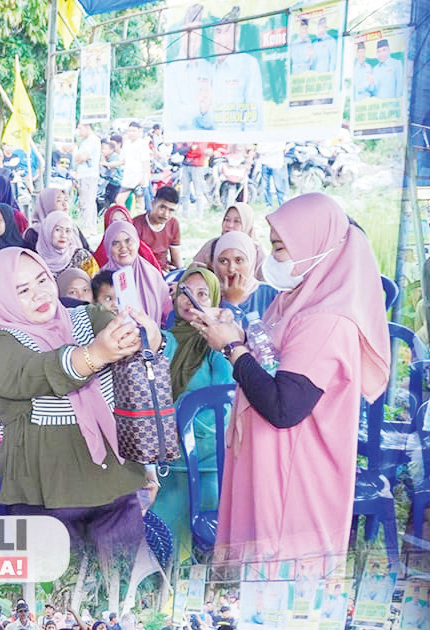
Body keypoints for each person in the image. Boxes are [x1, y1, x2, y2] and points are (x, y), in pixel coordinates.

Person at [194, 193, 390, 566]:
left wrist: (233, 348)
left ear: (316, 247)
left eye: (281, 249)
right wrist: (236, 336)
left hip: (292, 482)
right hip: (267, 466)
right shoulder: (294, 300)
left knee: (277, 594)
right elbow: (273, 360)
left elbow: (284, 407)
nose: (273, 259)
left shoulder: (326, 321)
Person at [0, 247, 154, 563]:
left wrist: (143, 335)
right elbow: (39, 371)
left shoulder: (88, 316)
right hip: (45, 497)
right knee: (53, 599)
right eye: (22, 290)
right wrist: (95, 355)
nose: (39, 294)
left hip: (115, 482)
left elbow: (137, 363)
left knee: (125, 592)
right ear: (0, 297)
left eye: (42, 280)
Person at [156, 267, 233, 561]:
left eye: (202, 294)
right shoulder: (165, 339)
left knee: (201, 549)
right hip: (166, 463)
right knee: (162, 543)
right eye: (184, 292)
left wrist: (179, 417)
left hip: (206, 465)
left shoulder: (217, 345)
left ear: (214, 300)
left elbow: (222, 405)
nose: (191, 300)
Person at [101, 221, 172, 324]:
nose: (123, 247)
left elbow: (167, 313)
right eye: (115, 243)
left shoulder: (152, 275)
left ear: (137, 242)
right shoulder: (101, 280)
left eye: (128, 241)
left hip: (152, 337)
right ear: (108, 248)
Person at [212, 230, 278, 326]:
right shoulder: (208, 296)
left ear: (251, 261)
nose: (231, 269)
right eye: (223, 261)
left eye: (239, 260)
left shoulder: (271, 294)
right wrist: (230, 303)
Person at [192, 203, 264, 276]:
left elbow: (263, 279)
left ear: (247, 224)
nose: (229, 225)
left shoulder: (256, 250)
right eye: (227, 220)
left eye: (236, 221)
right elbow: (192, 272)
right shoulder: (212, 246)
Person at [93, 205, 161, 272]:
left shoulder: (143, 250)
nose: (120, 225)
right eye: (114, 222)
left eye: (124, 221)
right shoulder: (100, 255)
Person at [132, 186, 181, 271]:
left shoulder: (173, 224)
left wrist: (182, 273)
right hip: (141, 270)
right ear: (153, 203)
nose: (166, 214)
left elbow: (176, 257)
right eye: (162, 207)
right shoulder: (135, 225)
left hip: (165, 271)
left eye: (171, 210)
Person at [36, 212, 97, 278]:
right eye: (58, 230)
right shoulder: (37, 262)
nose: (63, 235)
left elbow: (96, 284)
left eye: (68, 231)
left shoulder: (82, 257)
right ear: (47, 231)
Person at [75, 123, 102, 235]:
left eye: (80, 129)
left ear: (87, 128)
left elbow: (82, 157)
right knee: (87, 201)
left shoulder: (92, 140)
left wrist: (77, 156)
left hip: (88, 175)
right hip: (84, 175)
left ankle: (88, 227)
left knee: (87, 201)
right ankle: (90, 227)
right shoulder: (85, 142)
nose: (79, 132)